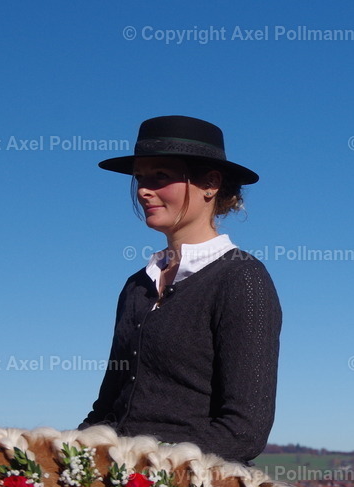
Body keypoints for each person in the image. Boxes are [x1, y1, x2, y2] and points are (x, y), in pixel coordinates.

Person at [81, 115, 281, 464]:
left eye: (161, 175)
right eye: (140, 177)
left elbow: (244, 431)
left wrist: (151, 468)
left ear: (211, 183)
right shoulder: (136, 286)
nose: (144, 189)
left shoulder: (243, 279)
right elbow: (106, 410)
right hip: (117, 485)